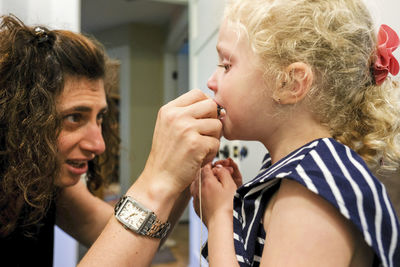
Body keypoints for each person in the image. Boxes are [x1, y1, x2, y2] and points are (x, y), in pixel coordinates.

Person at [190, 0, 400, 266]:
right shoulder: (295, 171)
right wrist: (236, 206)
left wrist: (218, 216)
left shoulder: (315, 191)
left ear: (291, 83)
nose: (211, 81)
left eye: (227, 65)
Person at [0, 15, 222, 266]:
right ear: (21, 117)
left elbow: (141, 236)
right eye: (74, 117)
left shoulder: (45, 181)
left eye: (100, 117)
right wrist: (156, 180)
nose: (98, 145)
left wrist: (182, 173)